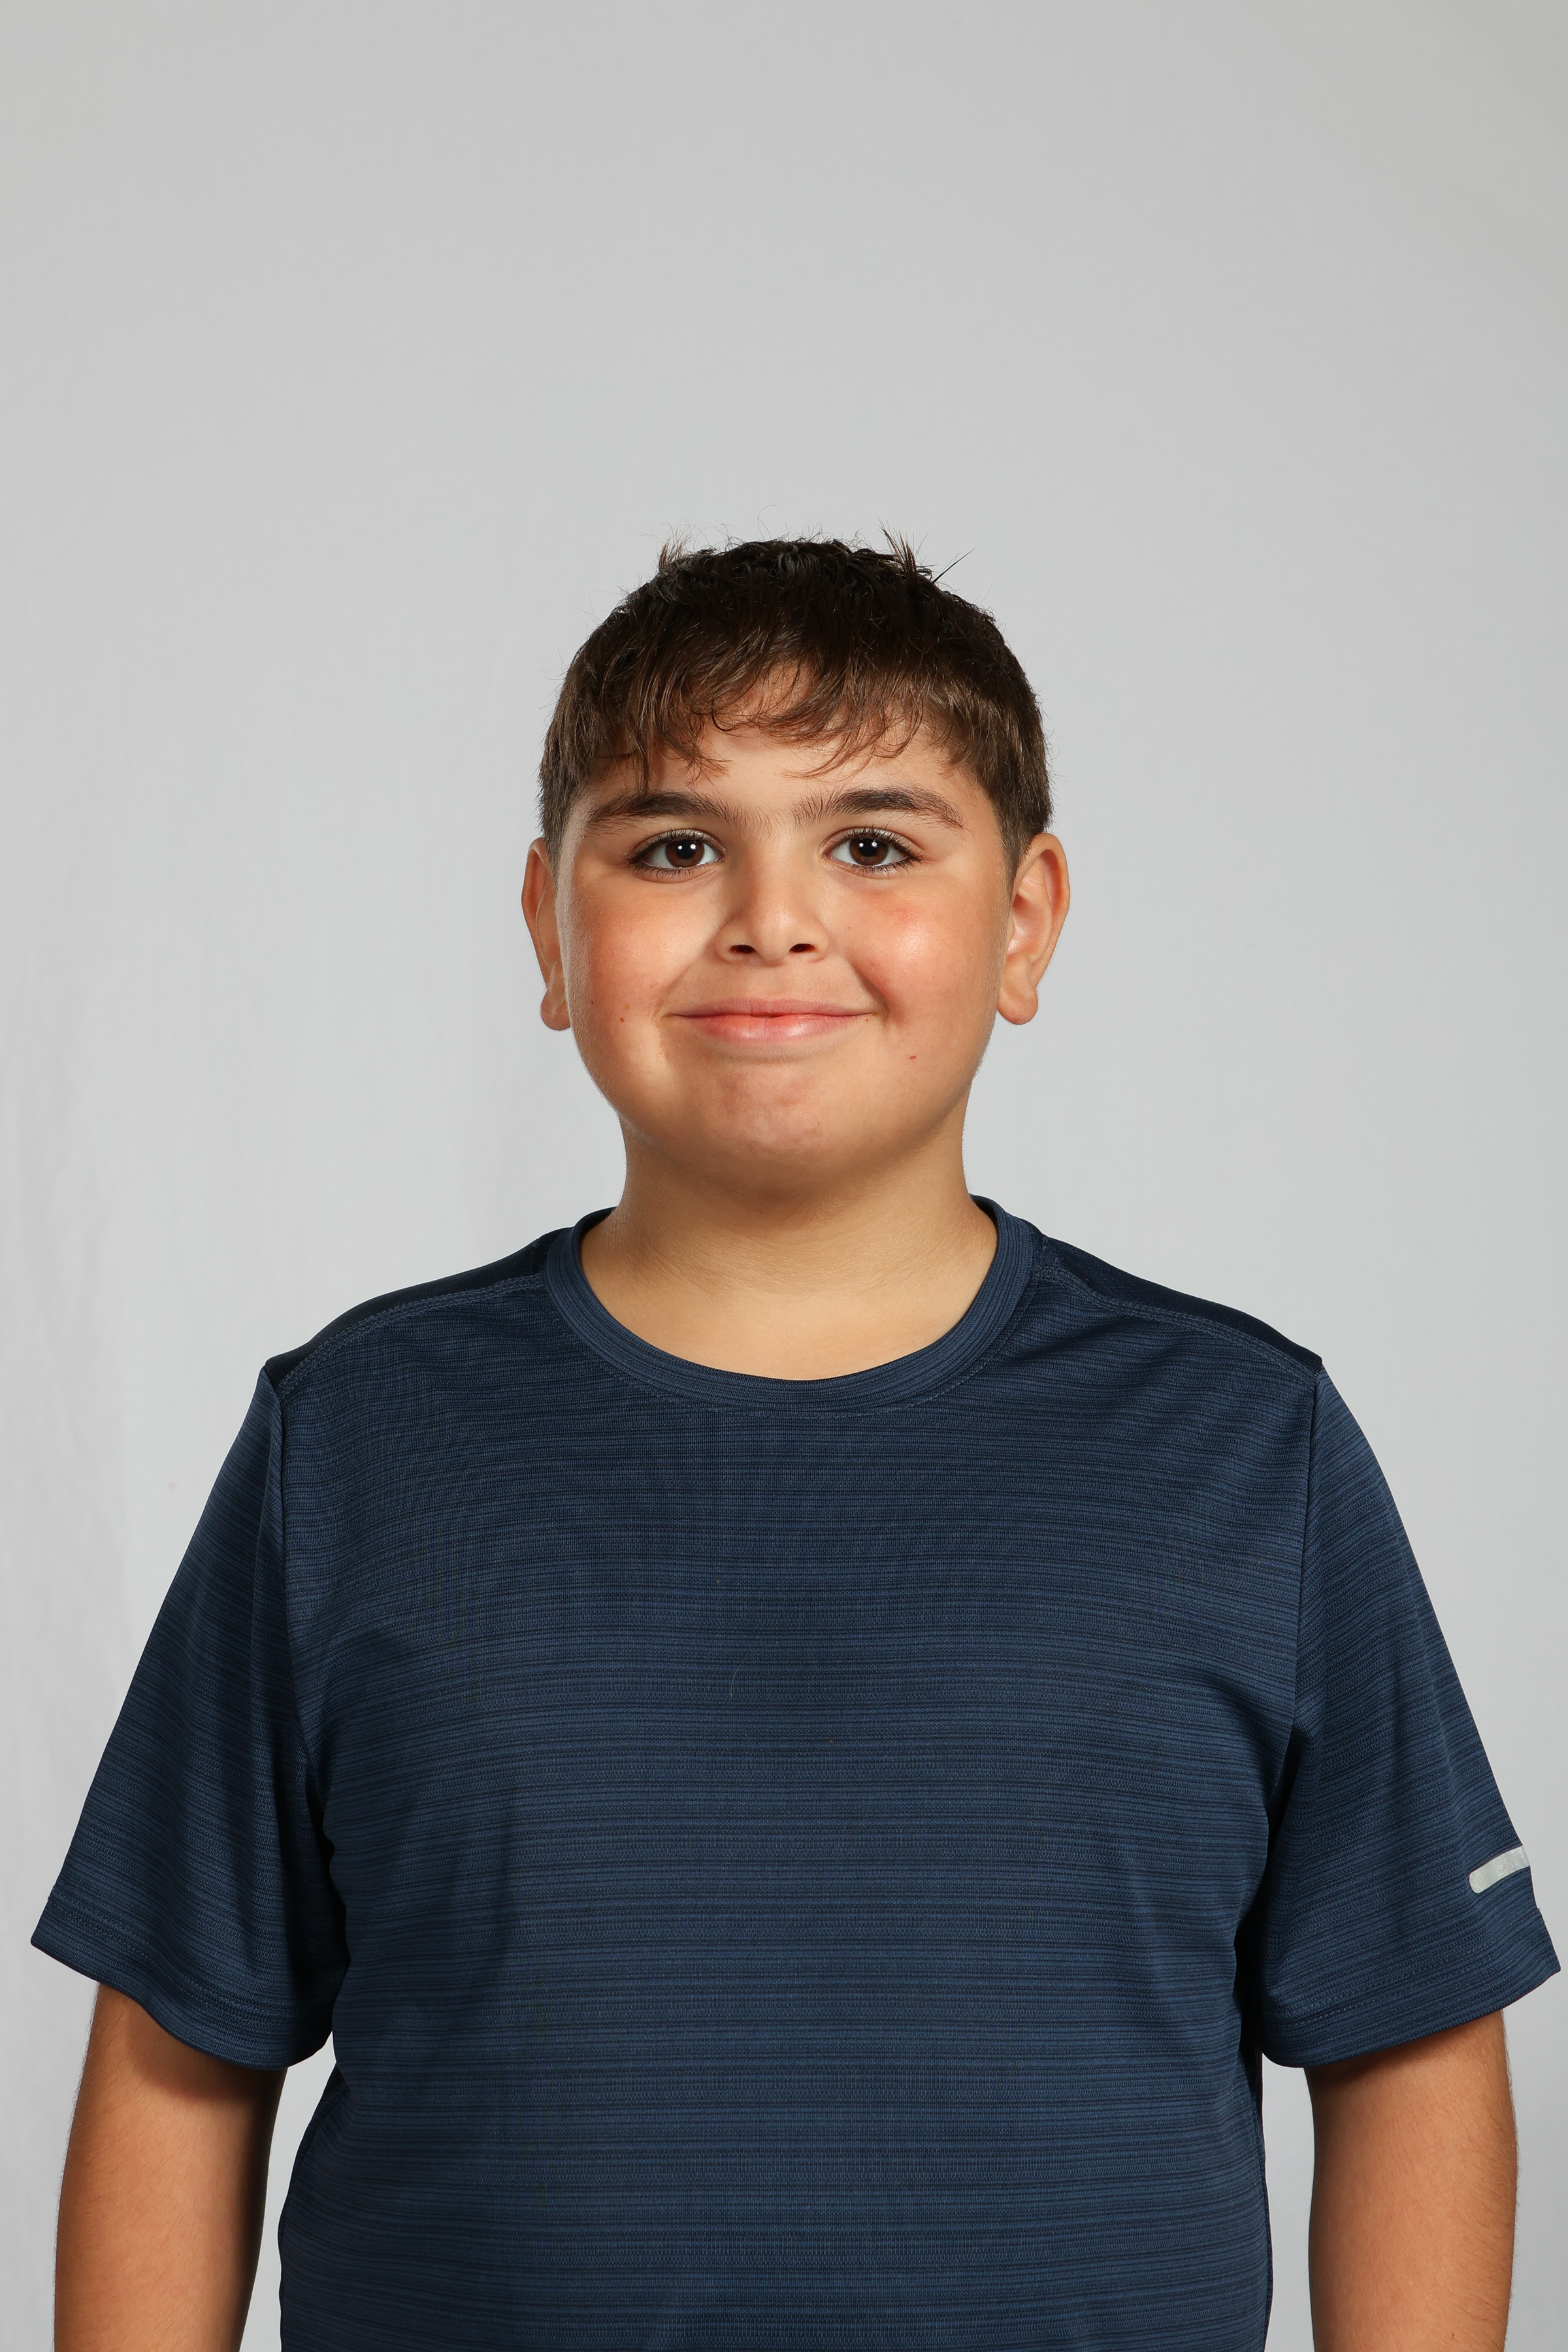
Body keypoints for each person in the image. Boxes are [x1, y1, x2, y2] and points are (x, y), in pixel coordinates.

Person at [37, 538, 1557, 2351]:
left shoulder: (1245, 1449)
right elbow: (179, 2054)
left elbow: (1410, 2037)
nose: (772, 918)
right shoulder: (353, 1443)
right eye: (675, 848)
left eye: (875, 845)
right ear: (548, 927)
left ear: (1026, 921)